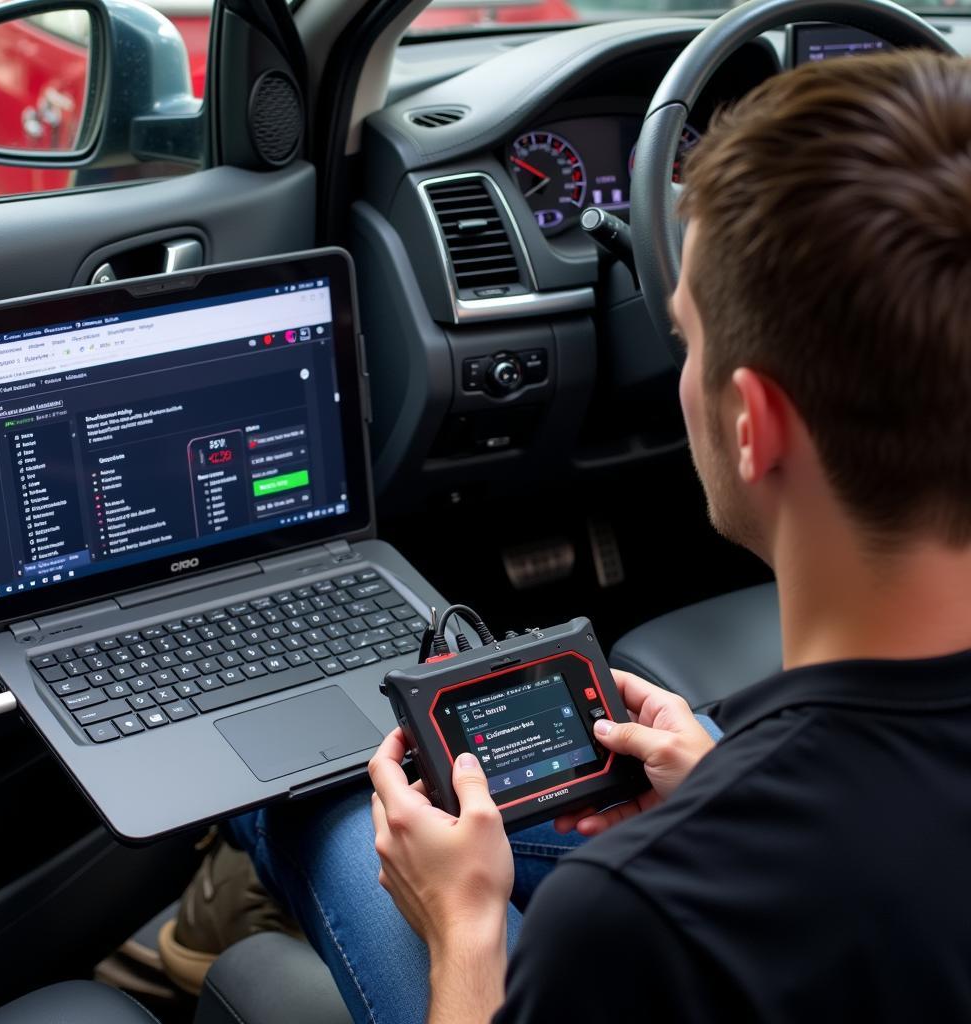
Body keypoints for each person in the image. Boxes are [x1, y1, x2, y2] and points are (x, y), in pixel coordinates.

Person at [228, 50, 971, 1022]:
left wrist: (465, 926)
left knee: (325, 814)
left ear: (755, 426)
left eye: (689, 337)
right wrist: (719, 786)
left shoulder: (634, 916)